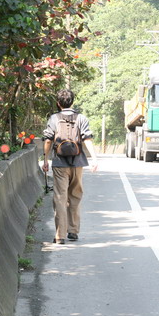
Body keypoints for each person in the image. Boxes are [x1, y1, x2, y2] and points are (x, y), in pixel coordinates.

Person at [42, 89, 98, 245]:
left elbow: (48, 140)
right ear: (72, 102)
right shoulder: (81, 118)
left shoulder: (54, 118)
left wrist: (45, 159)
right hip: (78, 163)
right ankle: (73, 231)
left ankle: (60, 235)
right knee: (75, 196)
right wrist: (94, 159)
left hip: (60, 163)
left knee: (60, 198)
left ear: (58, 103)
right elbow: (87, 139)